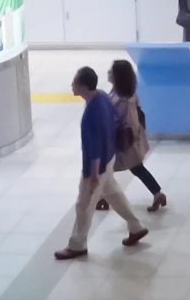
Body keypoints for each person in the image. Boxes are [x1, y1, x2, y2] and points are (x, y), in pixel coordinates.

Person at [58, 66, 145, 258]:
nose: (72, 85)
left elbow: (94, 146)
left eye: (75, 82)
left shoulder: (91, 113)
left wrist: (94, 174)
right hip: (110, 156)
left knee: (84, 204)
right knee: (112, 192)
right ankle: (136, 226)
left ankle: (77, 245)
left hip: (96, 165)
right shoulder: (103, 97)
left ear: (83, 86)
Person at [108, 57, 165, 209]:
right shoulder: (122, 93)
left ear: (117, 76)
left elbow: (129, 123)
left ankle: (103, 197)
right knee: (136, 168)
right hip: (126, 143)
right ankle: (157, 194)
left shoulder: (123, 100)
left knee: (106, 170)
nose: (108, 73)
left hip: (124, 143)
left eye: (111, 71)